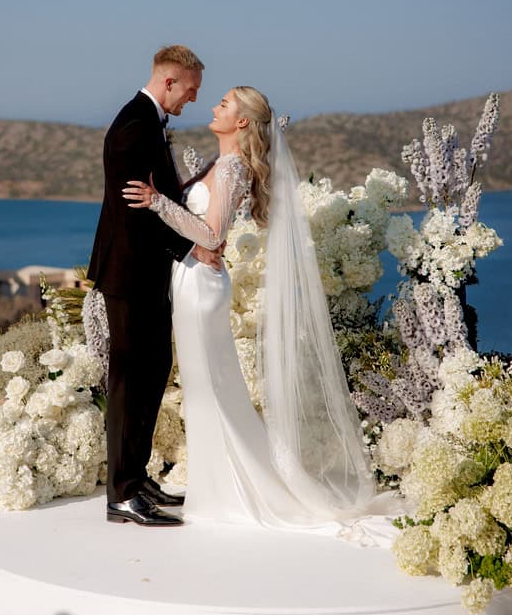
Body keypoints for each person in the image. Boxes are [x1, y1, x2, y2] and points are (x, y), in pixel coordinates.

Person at [122, 86, 395, 538]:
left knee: (210, 388)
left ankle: (231, 490)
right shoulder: (220, 163)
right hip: (191, 280)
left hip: (202, 287)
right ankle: (217, 484)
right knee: (204, 389)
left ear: (242, 121)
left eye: (224, 104)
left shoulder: (232, 168)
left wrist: (156, 201)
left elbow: (212, 236)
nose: (214, 107)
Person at [88, 45, 222, 527]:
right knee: (130, 381)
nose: (194, 98)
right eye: (191, 89)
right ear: (170, 82)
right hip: (129, 273)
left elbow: (160, 195)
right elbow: (136, 213)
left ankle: (136, 477)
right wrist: (191, 247)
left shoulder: (148, 121)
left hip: (146, 272)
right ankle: (122, 495)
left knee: (152, 371)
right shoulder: (133, 126)